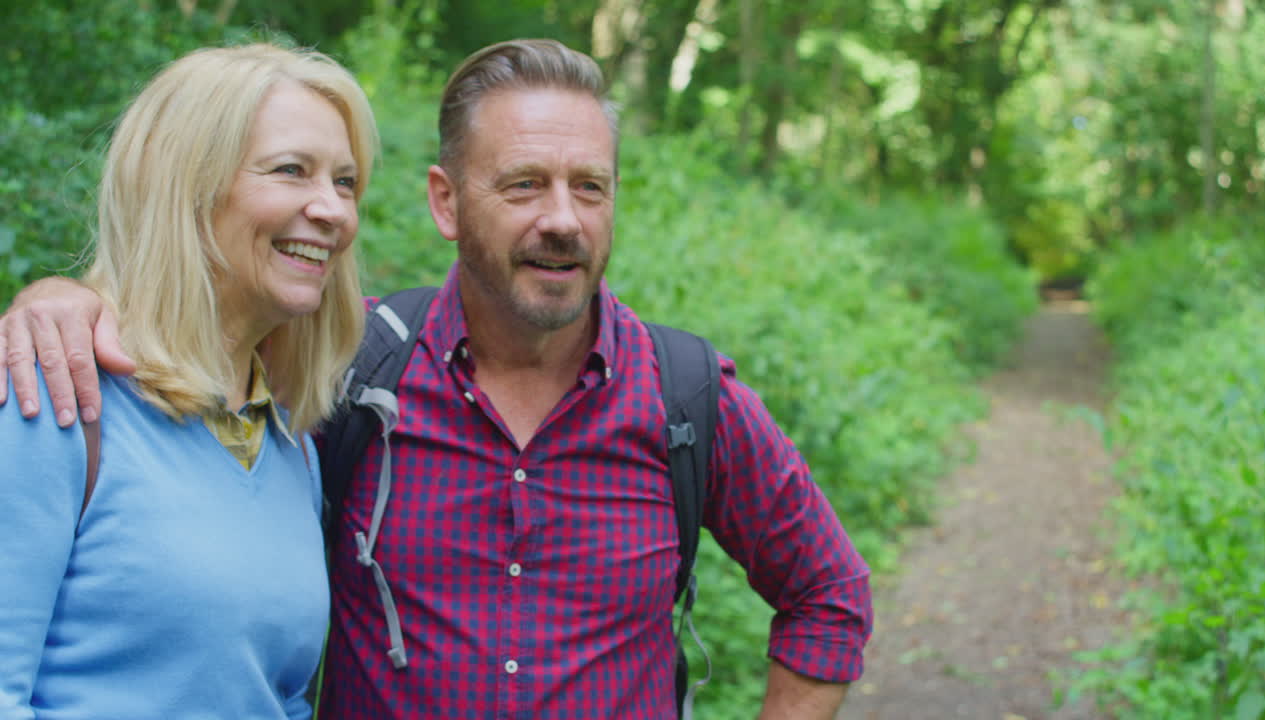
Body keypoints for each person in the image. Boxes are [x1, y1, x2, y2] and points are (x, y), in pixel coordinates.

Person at [0, 39, 871, 719]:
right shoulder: (348, 381)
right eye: (524, 184)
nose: (562, 219)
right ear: (445, 202)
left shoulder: (688, 400)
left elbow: (830, 592)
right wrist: (65, 299)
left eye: (590, 187)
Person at [0, 43, 375, 719]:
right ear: (186, 187)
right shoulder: (49, 397)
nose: (333, 211)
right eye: (292, 171)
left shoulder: (290, 448)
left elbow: (280, 697)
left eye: (345, 182)